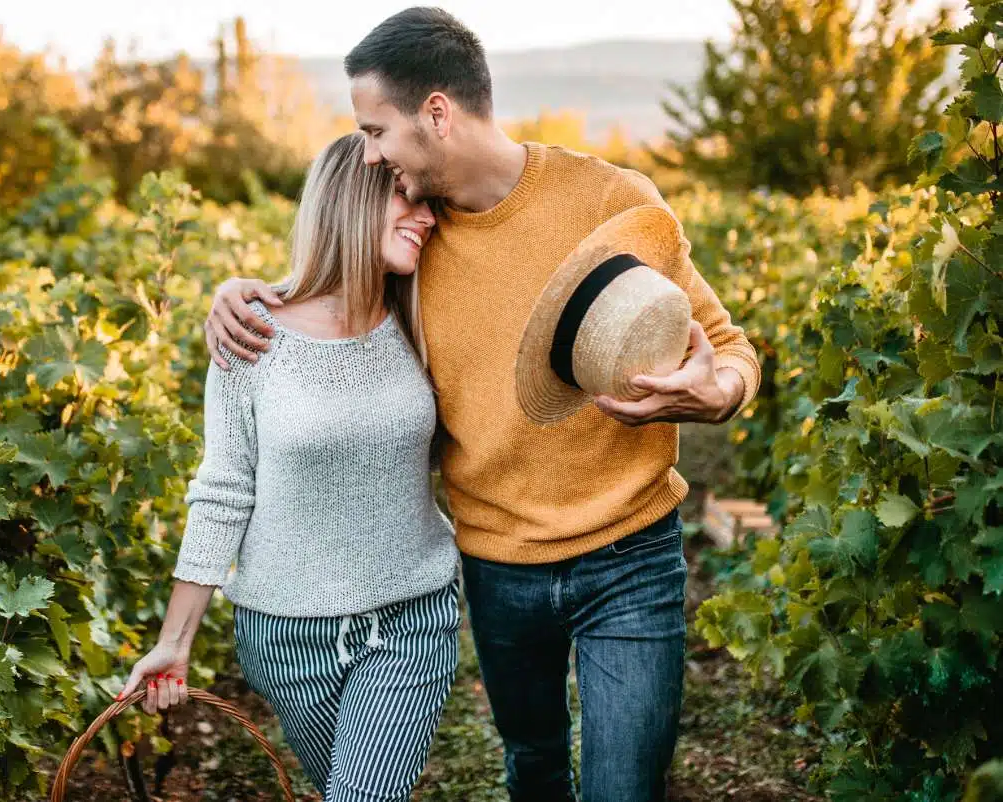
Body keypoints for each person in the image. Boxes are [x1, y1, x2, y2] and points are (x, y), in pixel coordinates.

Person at [202, 8, 761, 802]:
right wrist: (235, 296)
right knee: (533, 769)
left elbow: (727, 344)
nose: (370, 153)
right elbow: (329, 303)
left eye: (377, 129)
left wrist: (722, 390)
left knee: (625, 787)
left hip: (631, 551)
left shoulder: (612, 201)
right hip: (500, 566)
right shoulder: (412, 246)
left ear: (437, 113)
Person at [116, 132, 461, 802]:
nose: (427, 215)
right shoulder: (253, 332)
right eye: (407, 196)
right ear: (350, 199)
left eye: (430, 203)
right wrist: (173, 642)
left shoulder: (423, 315)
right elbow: (222, 491)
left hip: (412, 617)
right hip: (284, 637)